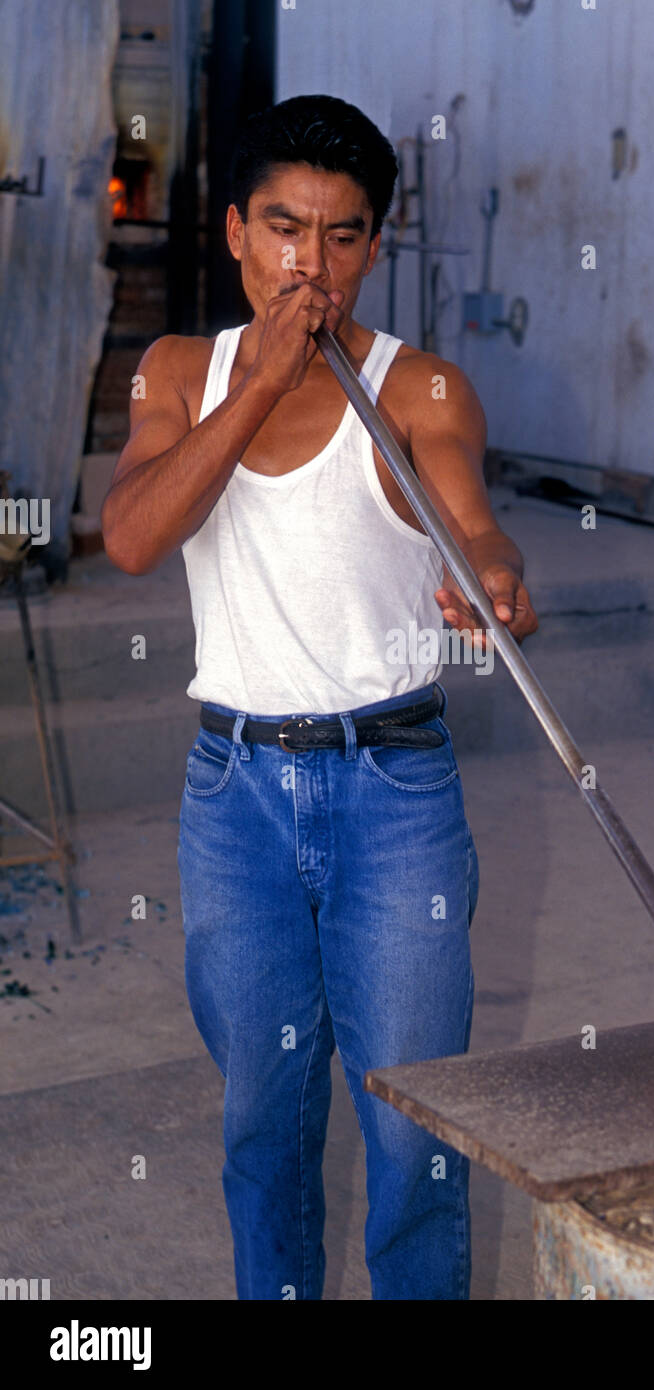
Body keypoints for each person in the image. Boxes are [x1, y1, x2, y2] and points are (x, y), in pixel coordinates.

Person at [101, 93, 538, 1300]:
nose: (311, 260)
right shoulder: (179, 372)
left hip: (392, 793)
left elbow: (470, 521)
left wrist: (487, 576)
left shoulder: (420, 388)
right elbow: (134, 535)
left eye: (341, 236)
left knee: (414, 1130)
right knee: (264, 1125)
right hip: (233, 794)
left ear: (374, 248)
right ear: (239, 231)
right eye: (286, 227)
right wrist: (263, 383)